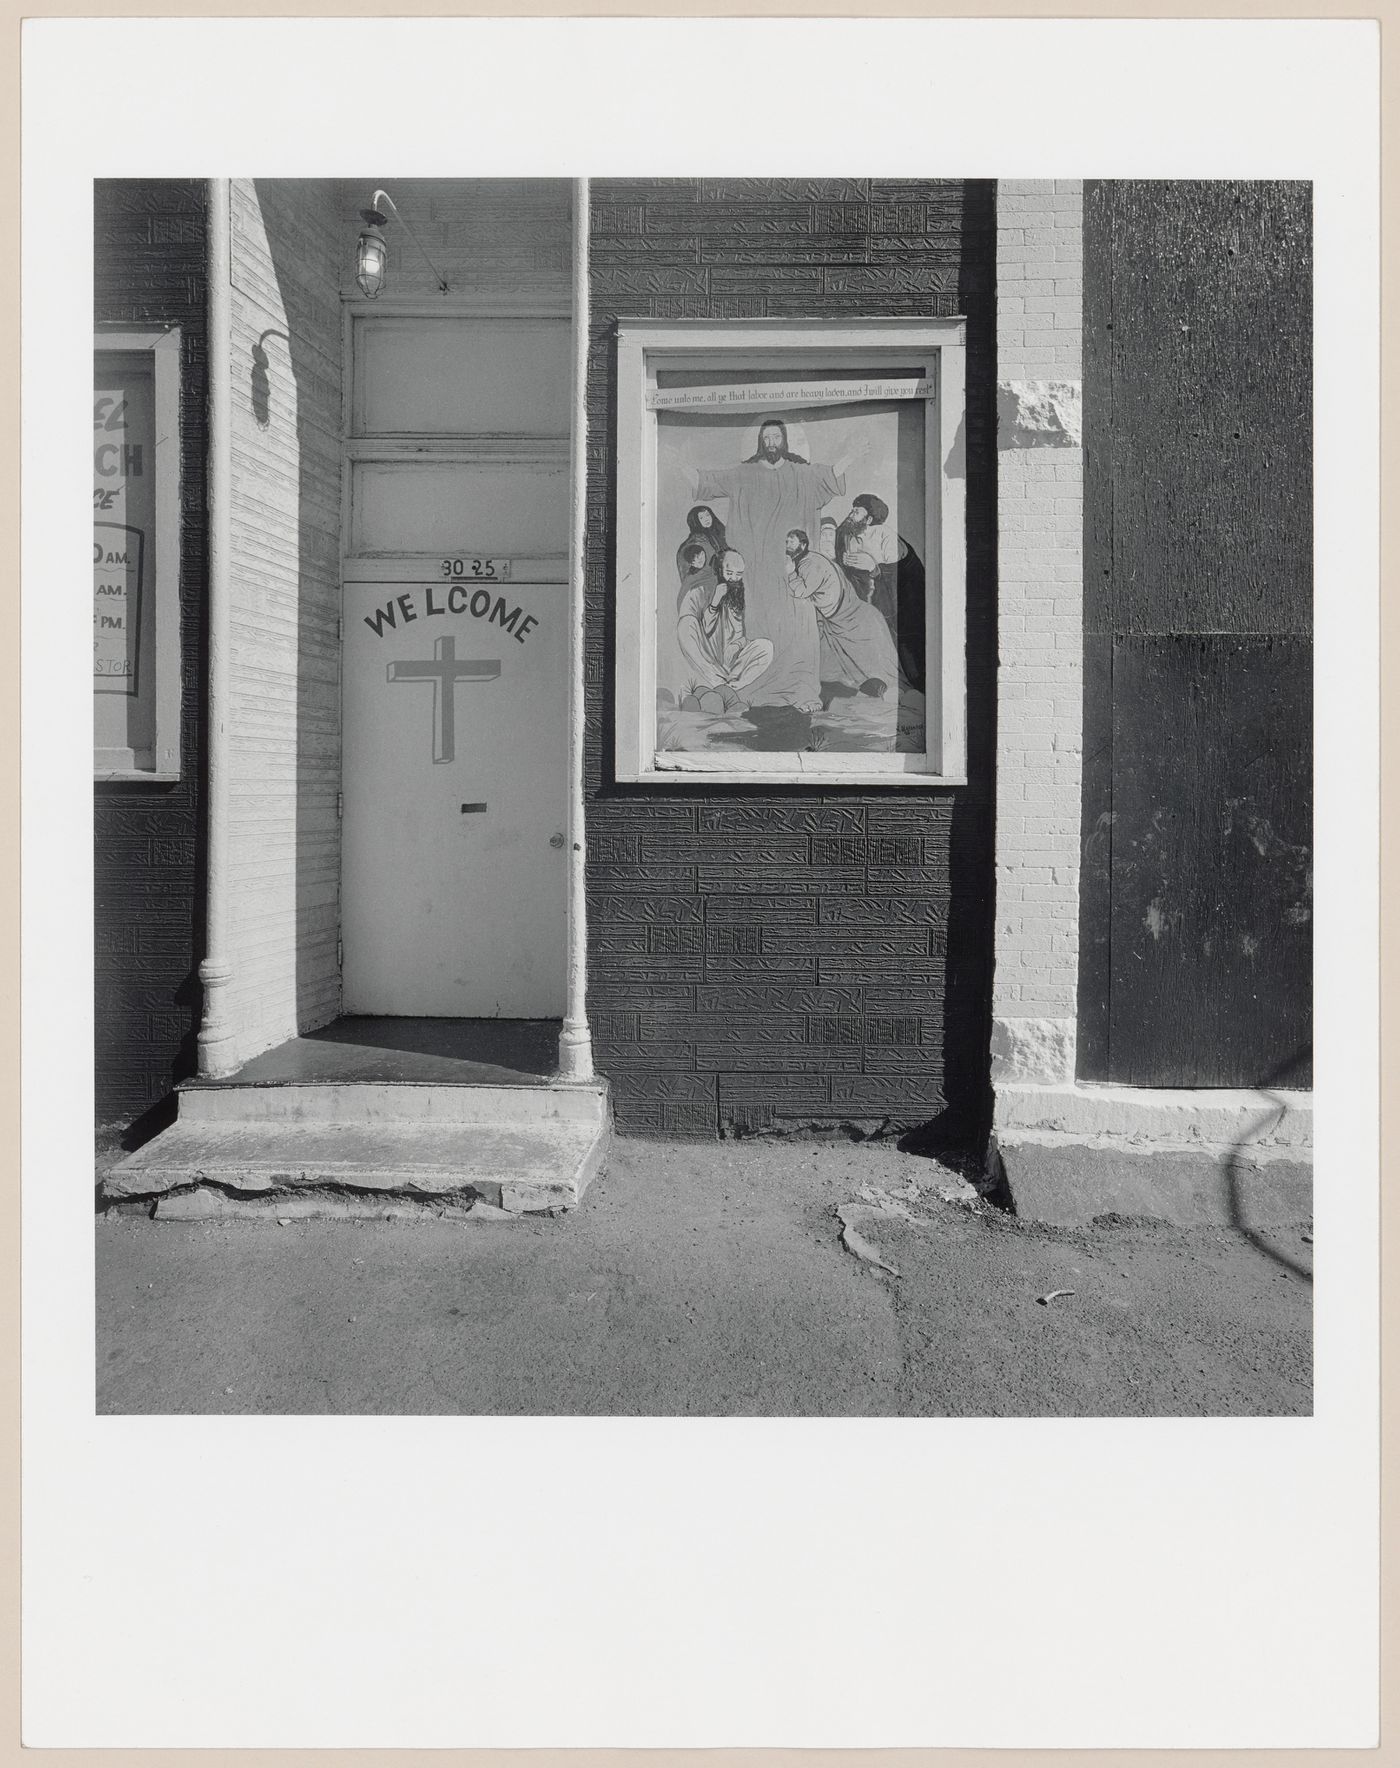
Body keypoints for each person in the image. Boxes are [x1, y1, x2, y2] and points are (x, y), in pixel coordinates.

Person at [686, 419, 853, 711]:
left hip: (792, 573)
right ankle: (753, 692)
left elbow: (829, 478)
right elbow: (710, 481)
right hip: (757, 573)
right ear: (760, 442)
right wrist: (681, 466)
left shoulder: (802, 474)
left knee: (800, 627)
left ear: (785, 440)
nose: (772, 442)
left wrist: (850, 457)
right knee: (758, 626)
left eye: (777, 437)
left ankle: (802, 691)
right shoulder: (744, 474)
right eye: (767, 438)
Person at [784, 529, 900, 699]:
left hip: (844, 613)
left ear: (803, 545)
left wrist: (790, 573)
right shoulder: (808, 560)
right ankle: (865, 682)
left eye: (791, 542)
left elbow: (800, 591)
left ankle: (882, 680)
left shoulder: (810, 563)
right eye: (786, 542)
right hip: (836, 614)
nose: (787, 546)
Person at [836, 492, 926, 690]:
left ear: (869, 519)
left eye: (856, 511)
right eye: (852, 509)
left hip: (896, 607)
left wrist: (874, 568)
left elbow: (901, 576)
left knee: (904, 654)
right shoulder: (848, 535)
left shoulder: (885, 536)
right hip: (866, 603)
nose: (850, 514)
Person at [675, 548, 775, 715]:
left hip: (730, 661)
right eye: (729, 573)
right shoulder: (703, 588)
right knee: (685, 625)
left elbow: (741, 634)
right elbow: (705, 629)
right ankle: (718, 684)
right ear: (719, 570)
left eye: (739, 574)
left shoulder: (736, 594)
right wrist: (715, 601)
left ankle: (729, 688)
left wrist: (736, 645)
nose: (734, 579)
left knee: (766, 647)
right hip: (707, 653)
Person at [674, 504, 727, 586]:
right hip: (708, 580)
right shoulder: (695, 541)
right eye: (701, 518)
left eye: (707, 515)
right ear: (696, 521)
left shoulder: (720, 532)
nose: (706, 519)